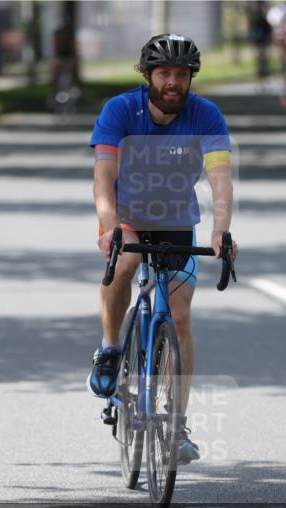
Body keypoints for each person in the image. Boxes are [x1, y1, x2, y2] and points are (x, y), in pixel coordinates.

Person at [87, 34, 238, 464]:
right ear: (148, 76)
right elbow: (103, 176)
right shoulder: (120, 111)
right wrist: (110, 224)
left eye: (181, 75)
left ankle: (178, 426)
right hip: (127, 216)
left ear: (191, 79)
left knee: (182, 317)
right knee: (126, 261)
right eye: (164, 73)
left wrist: (220, 231)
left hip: (176, 222)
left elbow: (220, 179)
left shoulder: (205, 116)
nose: (173, 82)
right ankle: (111, 348)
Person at [250, 1, 274, 88]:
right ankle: (261, 79)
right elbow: (253, 30)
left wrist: (269, 40)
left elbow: (269, 30)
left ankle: (265, 78)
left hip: (264, 41)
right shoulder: (255, 16)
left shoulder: (266, 16)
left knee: (265, 61)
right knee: (260, 61)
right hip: (259, 41)